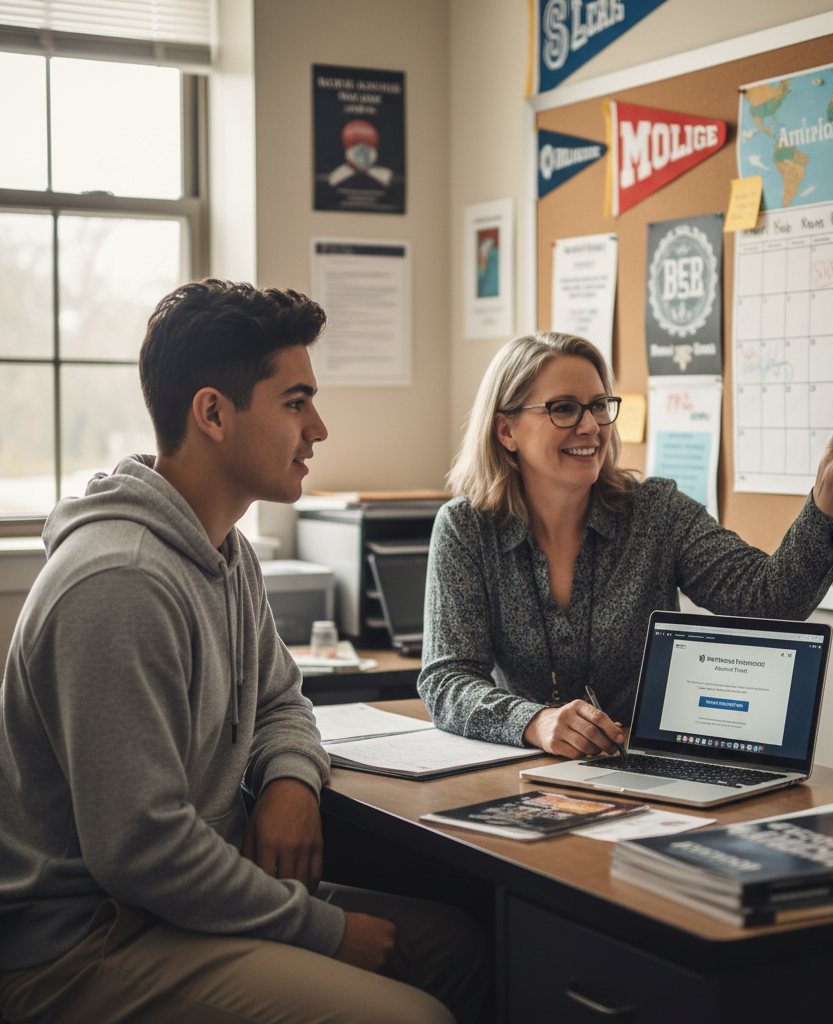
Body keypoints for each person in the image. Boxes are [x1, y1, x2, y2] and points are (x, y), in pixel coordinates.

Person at [0, 280, 487, 1024]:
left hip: (182, 903)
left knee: (465, 948)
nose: (318, 429)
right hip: (89, 942)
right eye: (296, 402)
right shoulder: (121, 581)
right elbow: (139, 849)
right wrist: (322, 930)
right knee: (412, 1016)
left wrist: (291, 779)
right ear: (214, 413)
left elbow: (281, 700)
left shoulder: (224, 550)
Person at [418, 331, 833, 760]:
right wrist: (534, 722)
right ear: (506, 431)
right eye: (563, 408)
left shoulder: (655, 512)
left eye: (599, 405)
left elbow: (769, 602)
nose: (590, 426)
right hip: (517, 772)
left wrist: (832, 480)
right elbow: (446, 680)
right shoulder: (466, 529)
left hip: (643, 774)